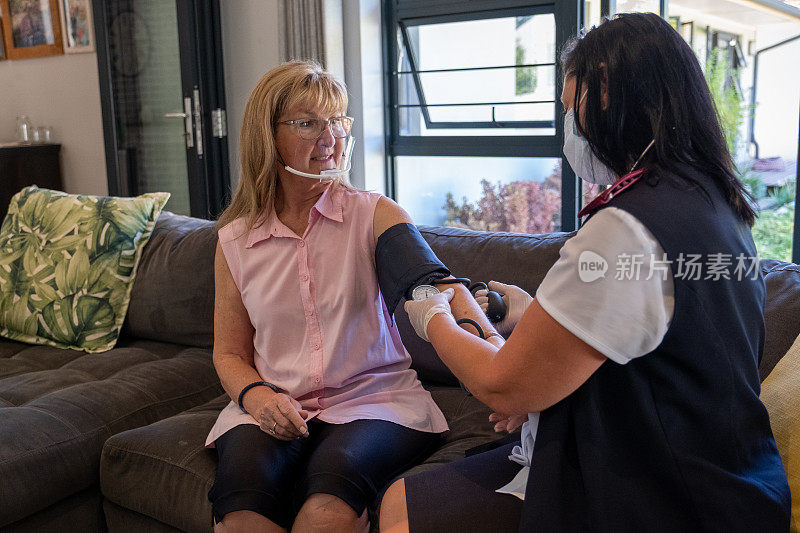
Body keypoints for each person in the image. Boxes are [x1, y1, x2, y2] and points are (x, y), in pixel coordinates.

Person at [381, 13, 790, 533]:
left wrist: (433, 317)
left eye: (575, 115)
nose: (570, 133)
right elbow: (660, 338)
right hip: (738, 483)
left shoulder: (626, 228)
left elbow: (503, 388)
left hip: (661, 494)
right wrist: (533, 336)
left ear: (623, 112)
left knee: (403, 512)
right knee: (404, 500)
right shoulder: (715, 202)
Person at [206, 61, 450, 533]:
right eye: (308, 122)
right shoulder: (234, 242)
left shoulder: (374, 215)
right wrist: (257, 398)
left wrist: (491, 351)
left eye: (337, 120)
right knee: (239, 513)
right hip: (275, 402)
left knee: (328, 501)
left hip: (373, 399)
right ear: (267, 135)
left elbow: (435, 289)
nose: (330, 136)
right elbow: (229, 353)